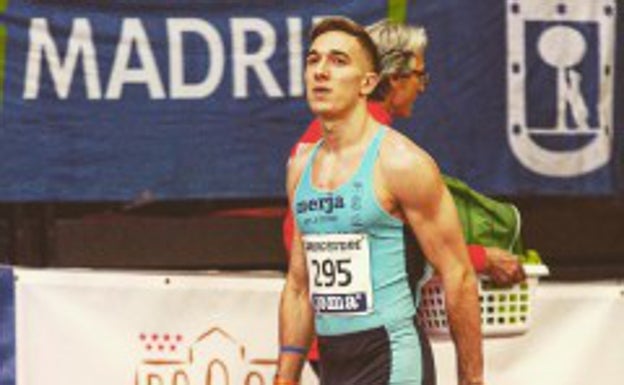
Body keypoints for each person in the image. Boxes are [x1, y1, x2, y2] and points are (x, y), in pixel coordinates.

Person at [281, 19, 526, 375]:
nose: (320, 72)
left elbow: (455, 272)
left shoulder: (402, 160)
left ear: (369, 81)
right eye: (313, 60)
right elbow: (300, 279)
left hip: (391, 356)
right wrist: (284, 375)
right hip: (332, 352)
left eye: (337, 61)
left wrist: (472, 378)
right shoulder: (304, 163)